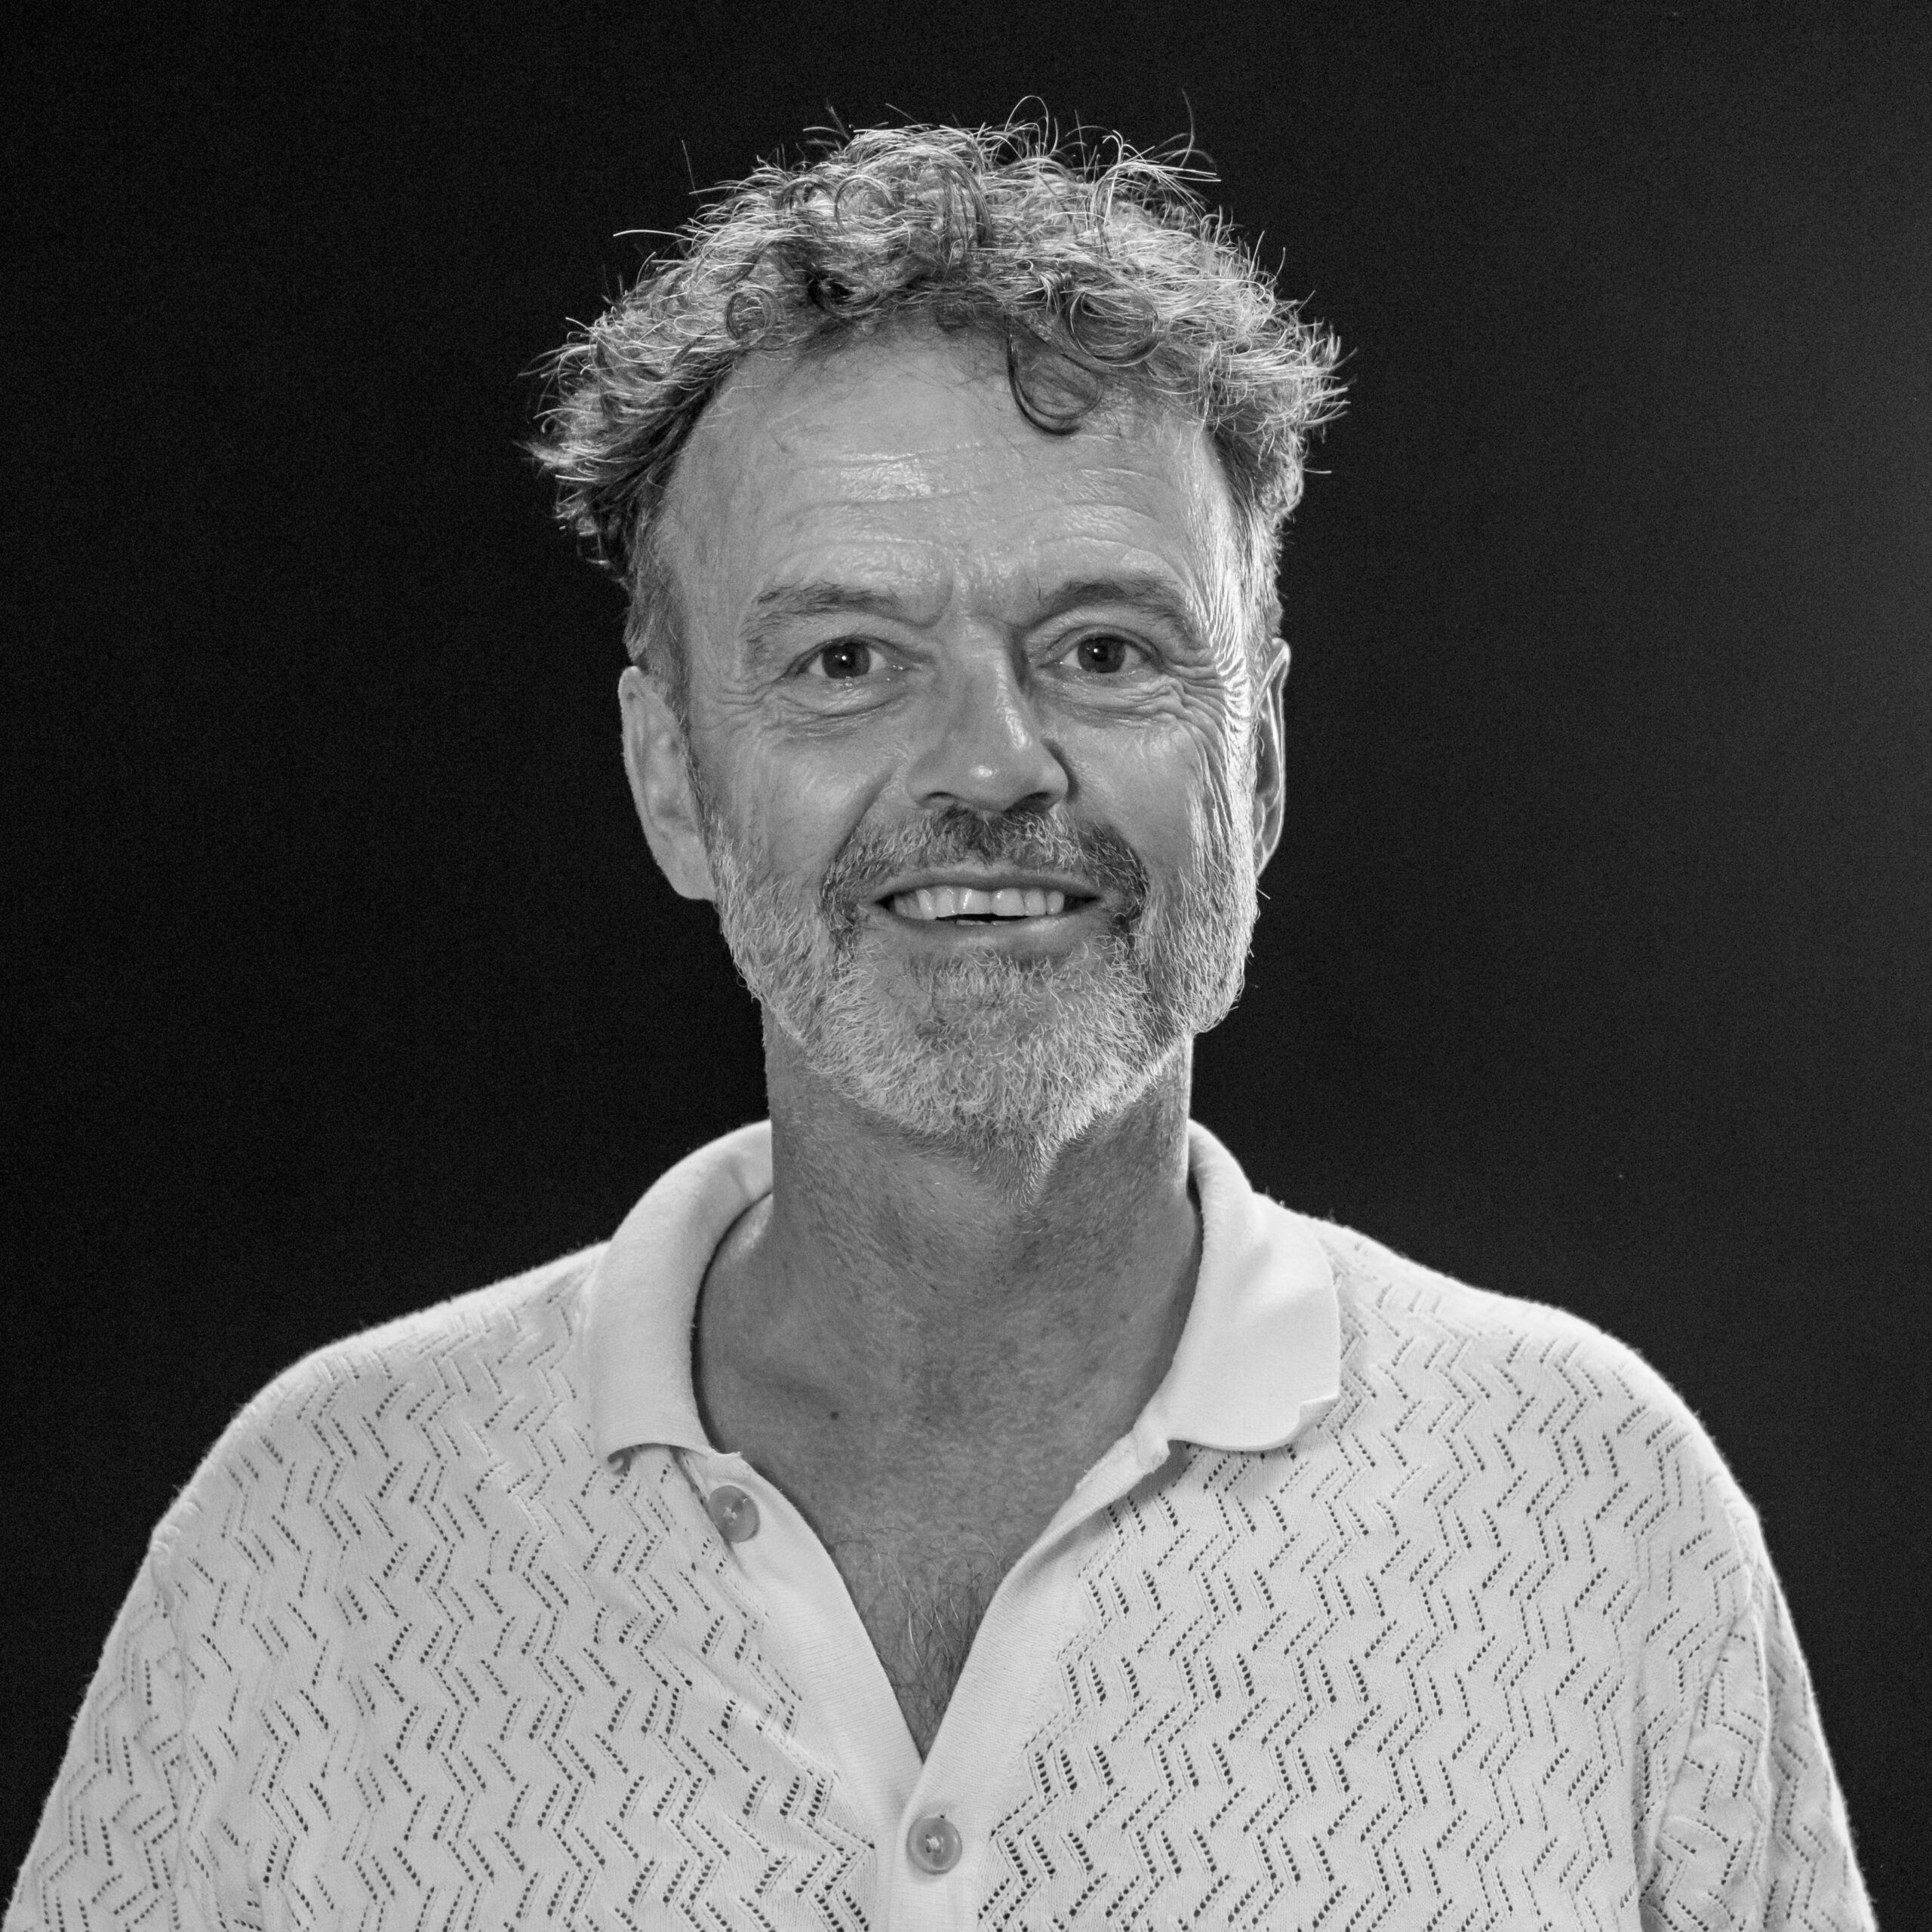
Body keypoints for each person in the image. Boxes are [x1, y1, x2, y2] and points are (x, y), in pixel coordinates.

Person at [10, 122, 1873, 1931]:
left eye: (1104, 650)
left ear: (1257, 763)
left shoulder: (1590, 1510)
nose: (990, 764)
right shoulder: (313, 1539)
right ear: (670, 778)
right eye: (846, 661)